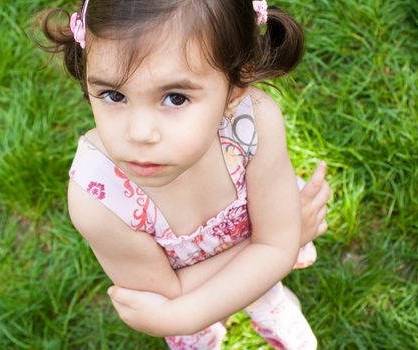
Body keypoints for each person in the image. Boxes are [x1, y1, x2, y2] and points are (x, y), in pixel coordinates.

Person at [37, 0, 330, 349]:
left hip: (208, 290)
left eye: (175, 98)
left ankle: (270, 304)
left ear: (236, 88)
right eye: (114, 95)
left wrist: (179, 316)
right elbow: (167, 295)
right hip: (204, 288)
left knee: (264, 288)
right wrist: (282, 238)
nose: (140, 133)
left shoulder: (254, 126)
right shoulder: (98, 199)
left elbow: (172, 307)